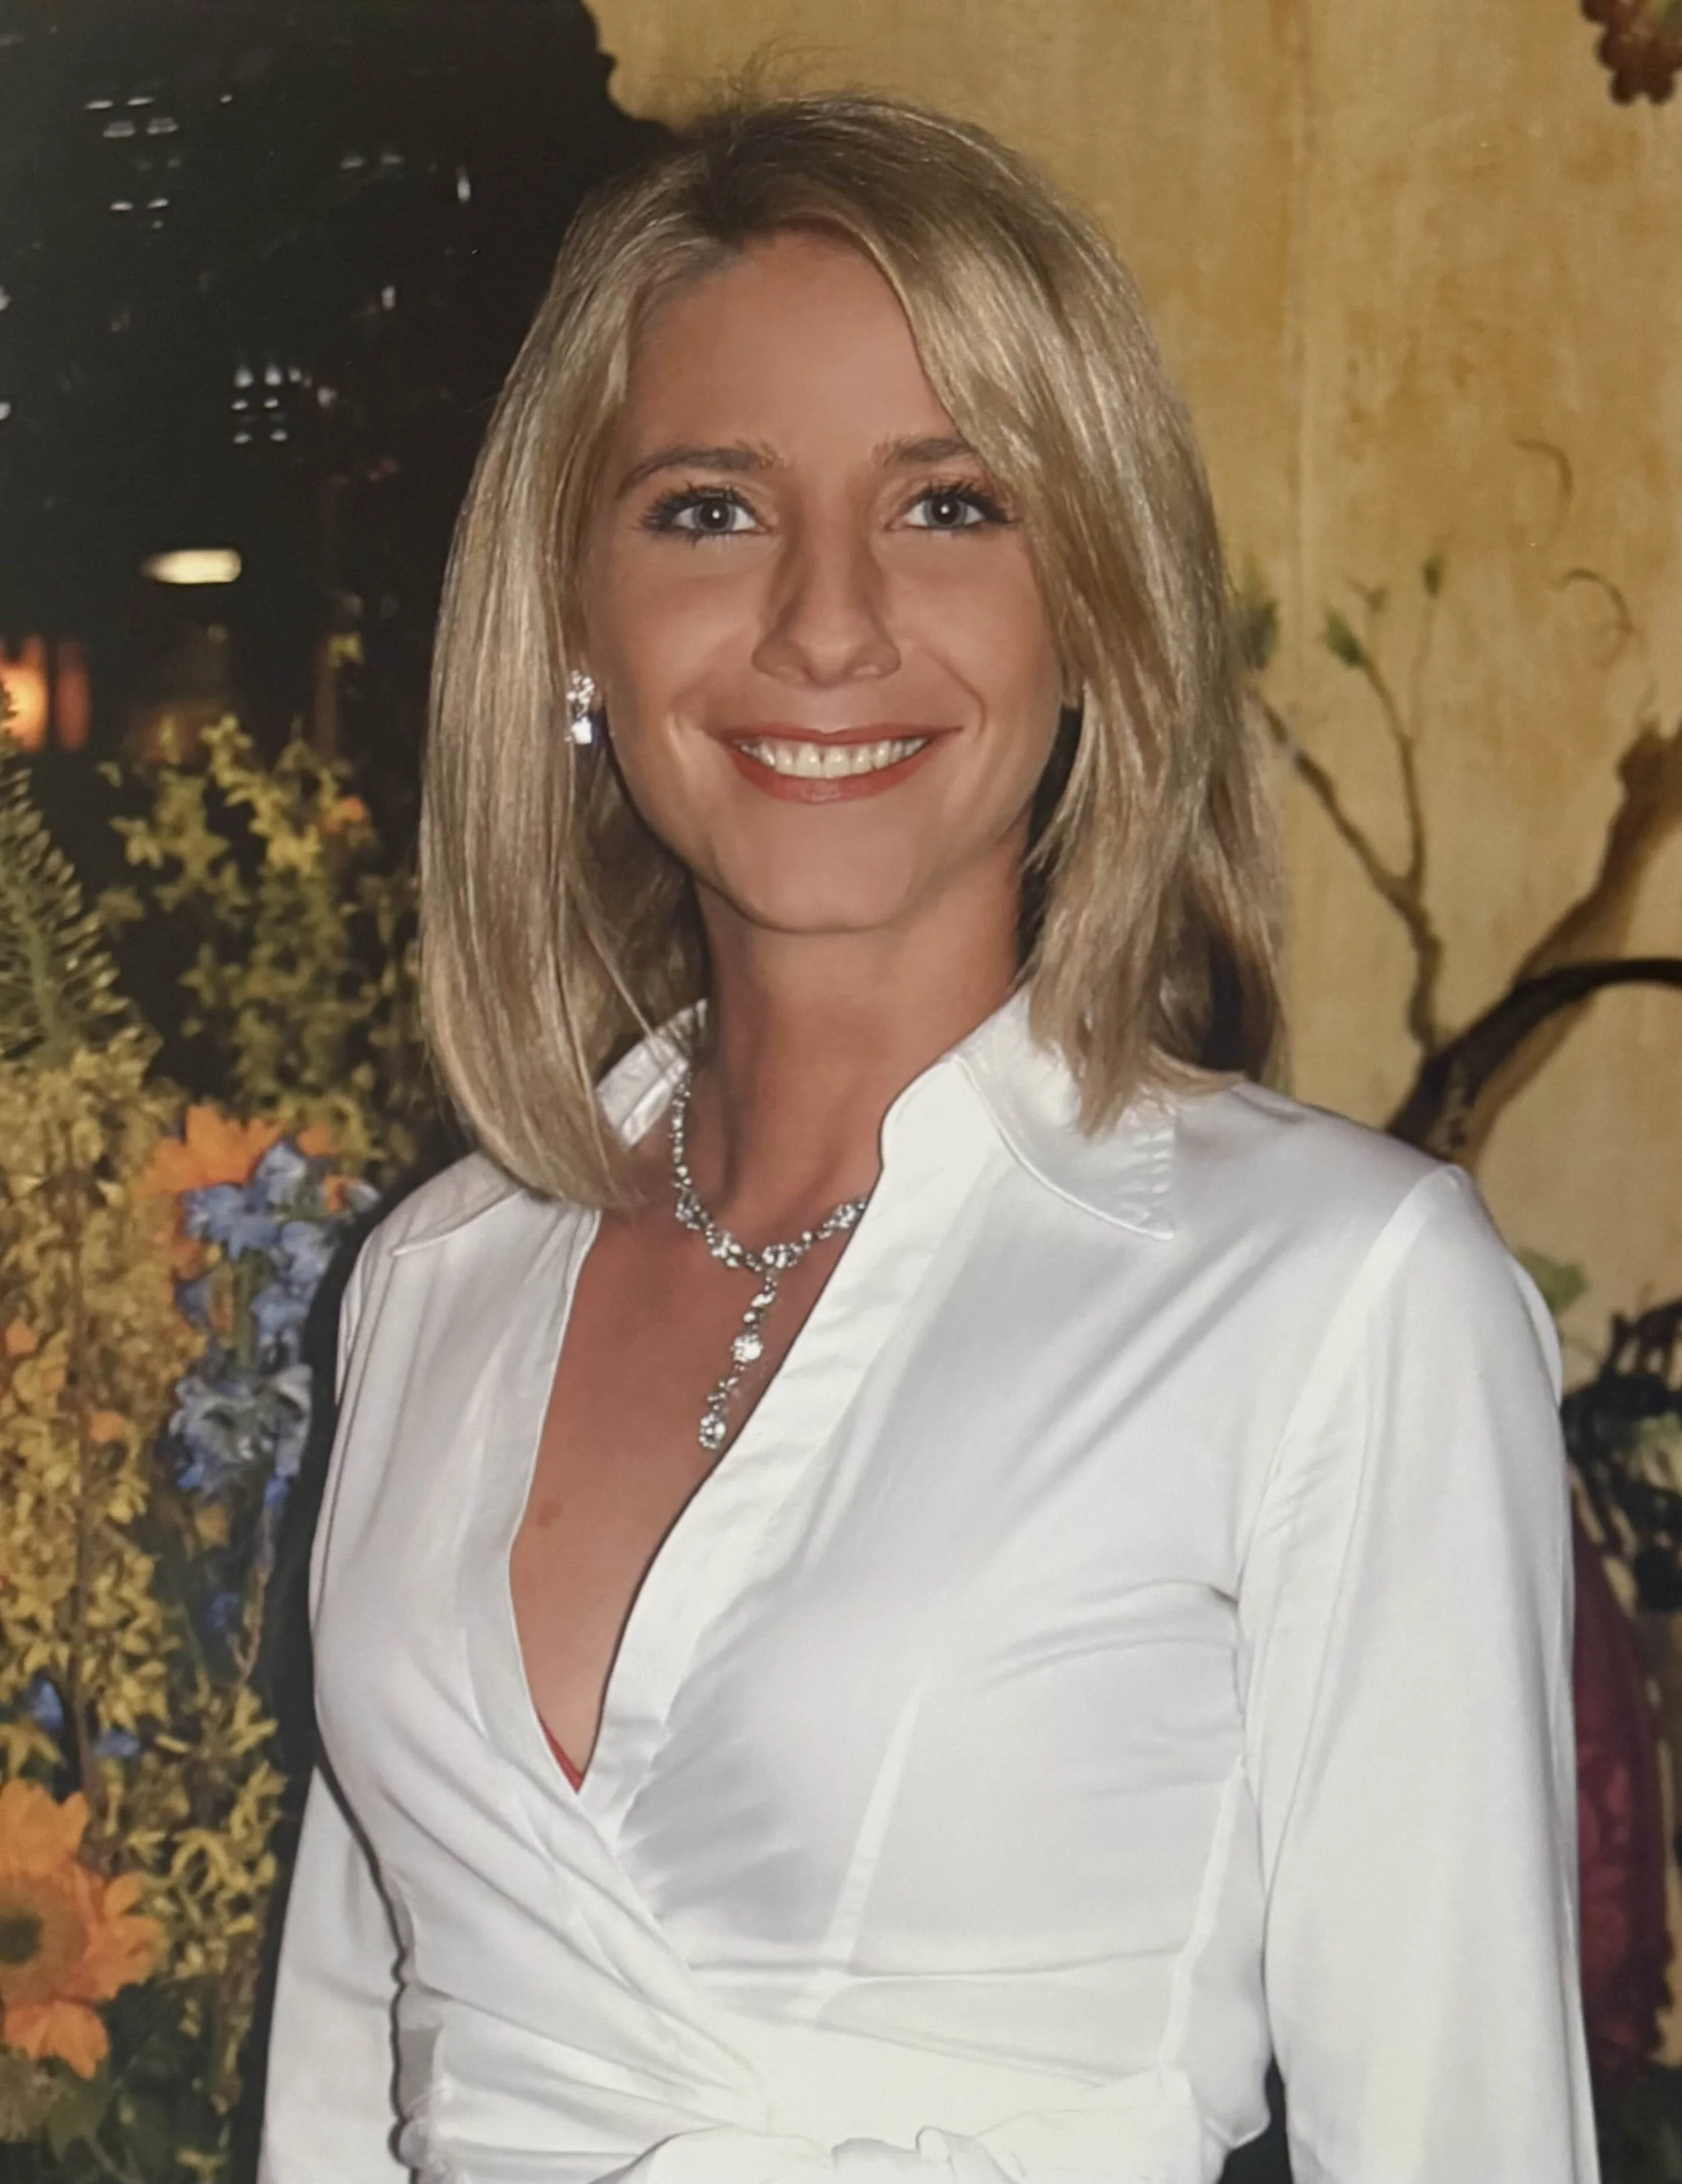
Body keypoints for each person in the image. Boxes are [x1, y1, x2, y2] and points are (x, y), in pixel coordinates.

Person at [257, 91, 1596, 2184]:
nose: (825, 621)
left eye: (949, 503)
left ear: (1097, 609)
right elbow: (344, 2083)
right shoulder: (429, 1279)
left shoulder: (1339, 1297)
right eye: (709, 508)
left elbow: (1460, 2132)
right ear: (575, 625)